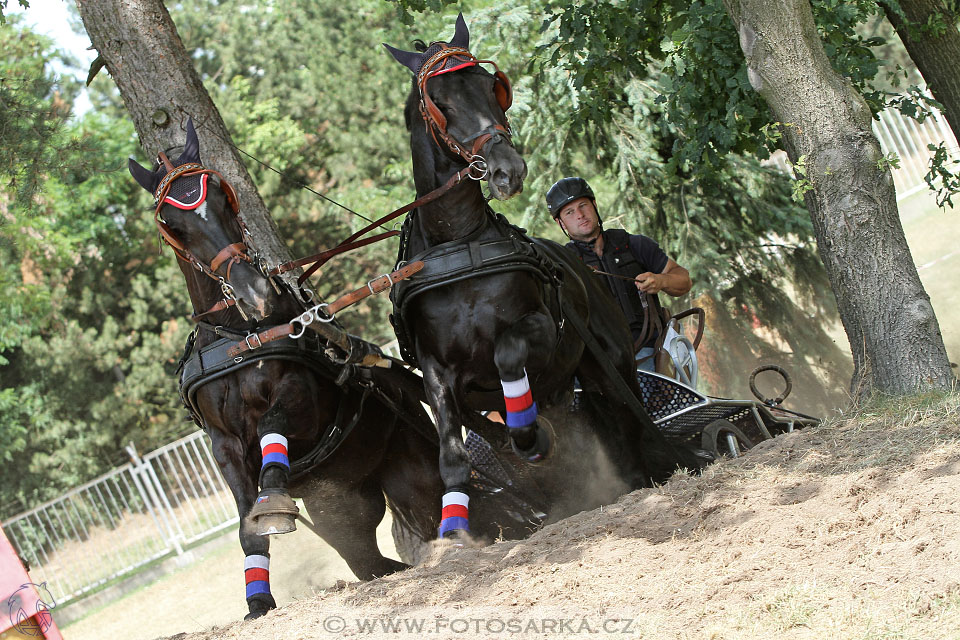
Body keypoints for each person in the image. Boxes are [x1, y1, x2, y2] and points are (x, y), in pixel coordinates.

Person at [546, 176, 692, 372]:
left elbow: (684, 281)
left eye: (583, 205)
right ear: (561, 223)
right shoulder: (561, 265)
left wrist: (661, 280)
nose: (579, 215)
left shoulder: (634, 245)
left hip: (648, 351)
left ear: (595, 205)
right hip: (597, 363)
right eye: (570, 212)